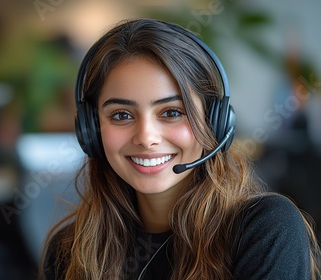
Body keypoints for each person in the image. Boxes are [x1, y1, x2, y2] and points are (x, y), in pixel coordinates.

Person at [40, 19, 320, 280]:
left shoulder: (266, 229)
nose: (146, 138)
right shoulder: (68, 249)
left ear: (214, 122)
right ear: (91, 129)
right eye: (122, 115)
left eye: (172, 112)